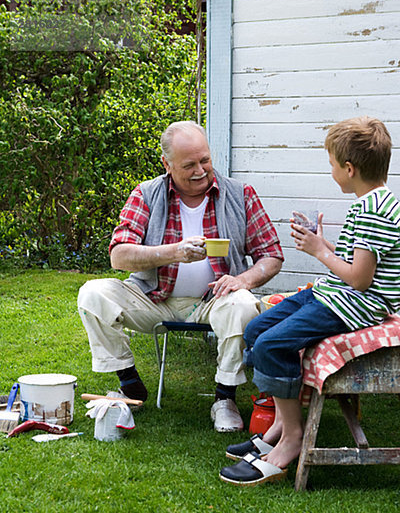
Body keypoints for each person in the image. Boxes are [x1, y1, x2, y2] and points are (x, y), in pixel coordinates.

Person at [220, 116, 400, 484]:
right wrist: (324, 243)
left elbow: (361, 280)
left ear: (349, 169)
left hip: (352, 306)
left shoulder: (372, 211)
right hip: (332, 293)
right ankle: (282, 429)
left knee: (271, 346)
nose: (331, 170)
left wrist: (319, 251)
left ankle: (292, 439)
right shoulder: (375, 201)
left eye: (332, 163)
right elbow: (356, 263)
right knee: (256, 330)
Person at [78, 120, 283, 432]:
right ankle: (130, 384)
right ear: (167, 164)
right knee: (92, 294)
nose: (200, 170)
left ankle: (224, 398)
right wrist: (173, 252)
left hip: (215, 300)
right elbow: (118, 255)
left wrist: (244, 280)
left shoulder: (240, 194)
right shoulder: (146, 194)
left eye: (205, 160)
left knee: (242, 303)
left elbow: (271, 253)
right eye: (189, 165)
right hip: (154, 298)